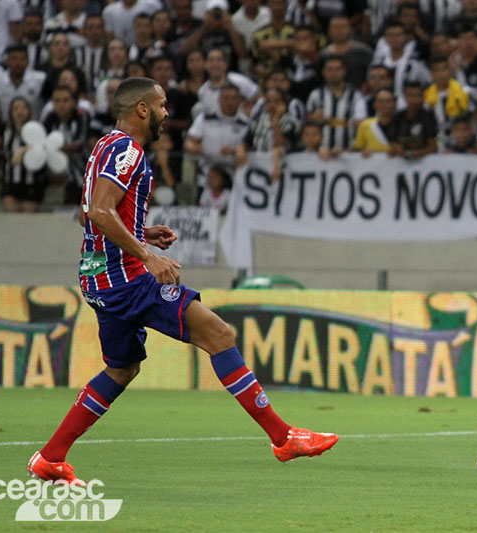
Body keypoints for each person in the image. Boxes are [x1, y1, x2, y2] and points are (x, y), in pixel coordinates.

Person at [26, 77, 338, 485]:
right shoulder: (127, 150)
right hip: (126, 279)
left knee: (122, 369)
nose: (165, 112)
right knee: (219, 334)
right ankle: (284, 438)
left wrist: (140, 232)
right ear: (142, 109)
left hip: (99, 278)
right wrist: (147, 255)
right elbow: (100, 212)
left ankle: (50, 458)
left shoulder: (105, 146)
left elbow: (90, 212)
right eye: (161, 105)